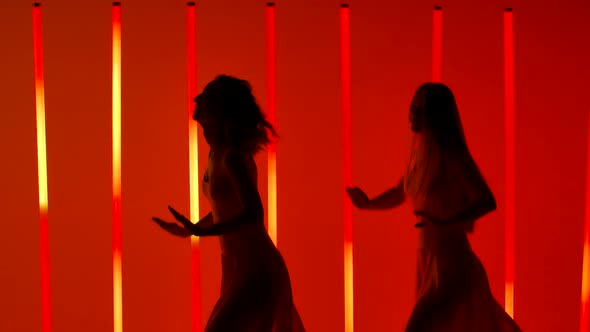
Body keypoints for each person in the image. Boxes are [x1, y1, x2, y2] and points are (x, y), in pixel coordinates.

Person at [347, 83, 521, 331]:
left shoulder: (452, 157)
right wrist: (367, 203)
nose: (412, 113)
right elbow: (400, 192)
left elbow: (486, 199)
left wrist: (449, 221)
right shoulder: (420, 158)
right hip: (428, 261)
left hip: (451, 265)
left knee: (419, 327)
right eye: (412, 106)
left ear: (436, 115)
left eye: (420, 108)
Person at [152, 75, 305, 332]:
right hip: (237, 269)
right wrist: (190, 229)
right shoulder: (216, 154)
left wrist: (203, 232)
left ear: (222, 109)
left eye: (208, 94)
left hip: (258, 268)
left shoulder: (232, 157)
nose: (197, 99)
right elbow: (225, 209)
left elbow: (254, 213)